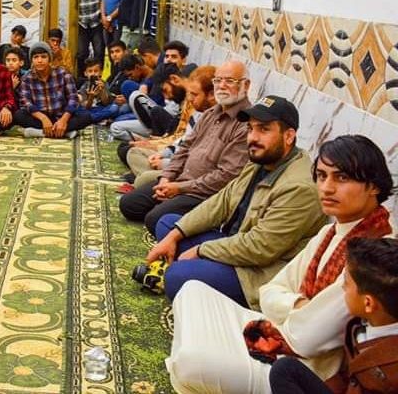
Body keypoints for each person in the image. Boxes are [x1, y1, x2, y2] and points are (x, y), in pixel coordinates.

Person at [166, 135, 396, 393]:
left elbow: (306, 339)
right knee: (191, 290)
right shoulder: (331, 231)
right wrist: (299, 304)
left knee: (191, 362)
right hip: (281, 330)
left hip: (305, 370)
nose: (326, 188)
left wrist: (289, 309)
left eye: (341, 178)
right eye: (321, 176)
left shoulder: (375, 254)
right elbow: (269, 291)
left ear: (373, 186)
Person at [144, 95, 327, 307]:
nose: (253, 137)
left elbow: (259, 248)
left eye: (264, 129)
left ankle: (188, 272)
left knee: (177, 276)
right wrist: (175, 235)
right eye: (250, 129)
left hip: (257, 272)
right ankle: (194, 270)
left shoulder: (299, 187)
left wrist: (201, 250)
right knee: (168, 224)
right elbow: (221, 202)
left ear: (288, 136)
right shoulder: (261, 159)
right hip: (234, 242)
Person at [119, 61, 252, 234]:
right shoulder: (210, 114)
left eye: (229, 81)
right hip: (180, 180)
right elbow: (184, 148)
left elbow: (226, 176)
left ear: (245, 85)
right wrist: (167, 178)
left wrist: (180, 188)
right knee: (128, 204)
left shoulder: (245, 124)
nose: (222, 86)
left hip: (204, 194)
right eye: (218, 80)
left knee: (154, 220)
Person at [269, 237, 398, 394]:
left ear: (368, 303)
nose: (342, 287)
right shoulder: (359, 324)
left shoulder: (391, 374)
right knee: (285, 369)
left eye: (346, 283)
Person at [14, 42, 91, 138]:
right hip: (39, 119)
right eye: (36, 57)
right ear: (32, 60)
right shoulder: (26, 78)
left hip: (61, 116)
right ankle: (64, 132)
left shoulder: (63, 73)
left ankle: (40, 132)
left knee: (86, 116)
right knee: (19, 115)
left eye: (43, 57)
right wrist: (43, 118)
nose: (39, 60)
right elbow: (26, 102)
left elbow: (73, 98)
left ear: (49, 59)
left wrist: (63, 120)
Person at [76, 0, 105, 76]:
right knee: (81, 53)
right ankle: (82, 77)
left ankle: (99, 78)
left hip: (96, 21)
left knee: (99, 52)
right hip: (81, 22)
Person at [75, 59, 120, 124]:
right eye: (90, 71)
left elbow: (106, 103)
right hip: (89, 110)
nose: (93, 73)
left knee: (114, 107)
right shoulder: (84, 86)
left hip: (101, 108)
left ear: (101, 72)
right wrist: (91, 97)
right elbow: (86, 107)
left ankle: (91, 119)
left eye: (96, 71)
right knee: (78, 110)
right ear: (85, 73)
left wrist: (102, 90)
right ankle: (98, 118)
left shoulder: (104, 84)